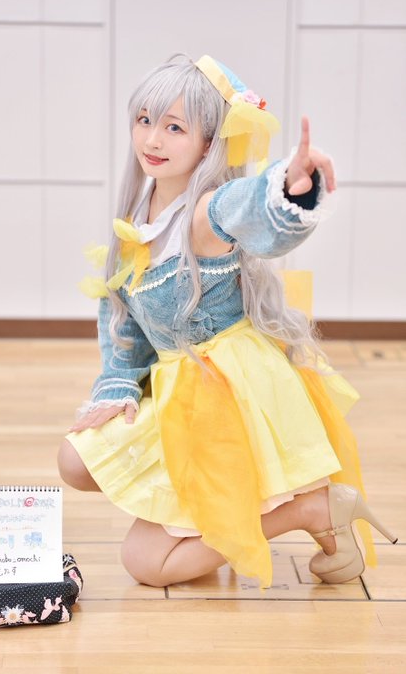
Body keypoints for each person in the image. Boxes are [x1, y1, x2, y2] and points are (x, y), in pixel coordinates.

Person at [57, 54, 397, 589]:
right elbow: (124, 325)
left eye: (175, 127)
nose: (153, 139)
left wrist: (291, 185)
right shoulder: (139, 216)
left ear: (209, 144)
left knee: (146, 563)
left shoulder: (206, 211)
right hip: (180, 387)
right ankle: (224, 514)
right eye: (145, 120)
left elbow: (250, 207)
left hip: (225, 392)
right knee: (75, 461)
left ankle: (311, 508)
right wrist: (117, 384)